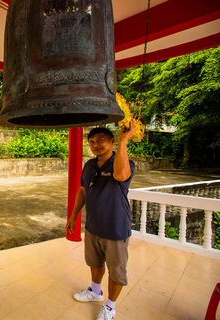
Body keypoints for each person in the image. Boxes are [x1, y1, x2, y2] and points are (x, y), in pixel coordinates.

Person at [66, 119, 136, 320]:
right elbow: (82, 190)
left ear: (111, 142)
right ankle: (95, 291)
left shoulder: (123, 162)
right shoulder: (89, 165)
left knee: (116, 271)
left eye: (101, 140)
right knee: (94, 262)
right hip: (93, 226)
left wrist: (124, 141)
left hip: (115, 229)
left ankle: (110, 306)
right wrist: (73, 216)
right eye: (92, 142)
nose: (96, 145)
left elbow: (122, 176)